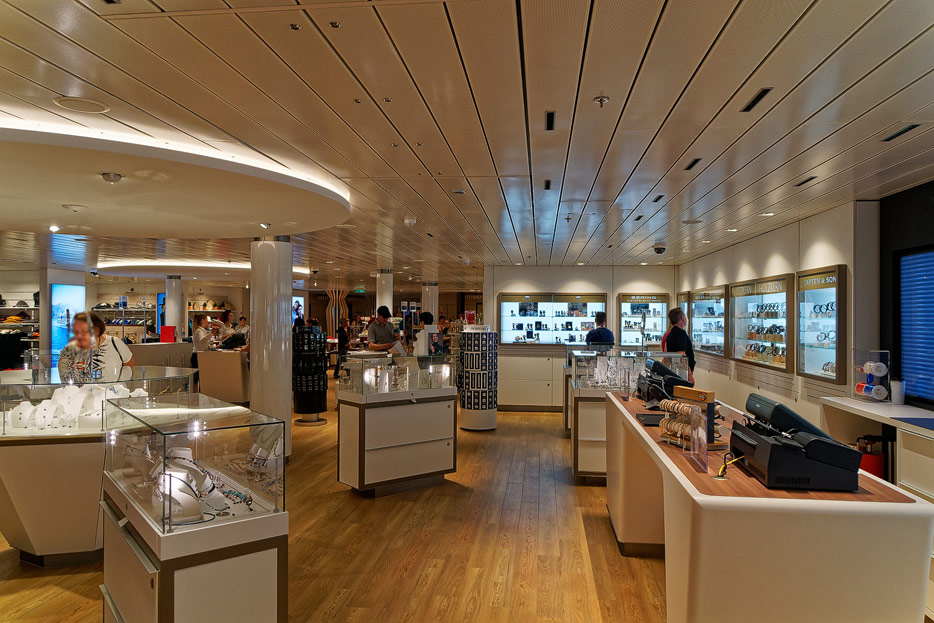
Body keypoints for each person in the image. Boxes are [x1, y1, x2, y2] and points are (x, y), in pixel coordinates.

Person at [58, 311, 134, 380]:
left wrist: (119, 384)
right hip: (82, 390)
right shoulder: (69, 349)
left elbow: (128, 366)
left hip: (114, 390)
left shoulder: (115, 343)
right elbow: (64, 372)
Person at [665, 307, 695, 385]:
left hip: (675, 371)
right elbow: (681, 355)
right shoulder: (681, 333)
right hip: (682, 373)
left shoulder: (670, 333)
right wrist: (689, 376)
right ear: (682, 318)